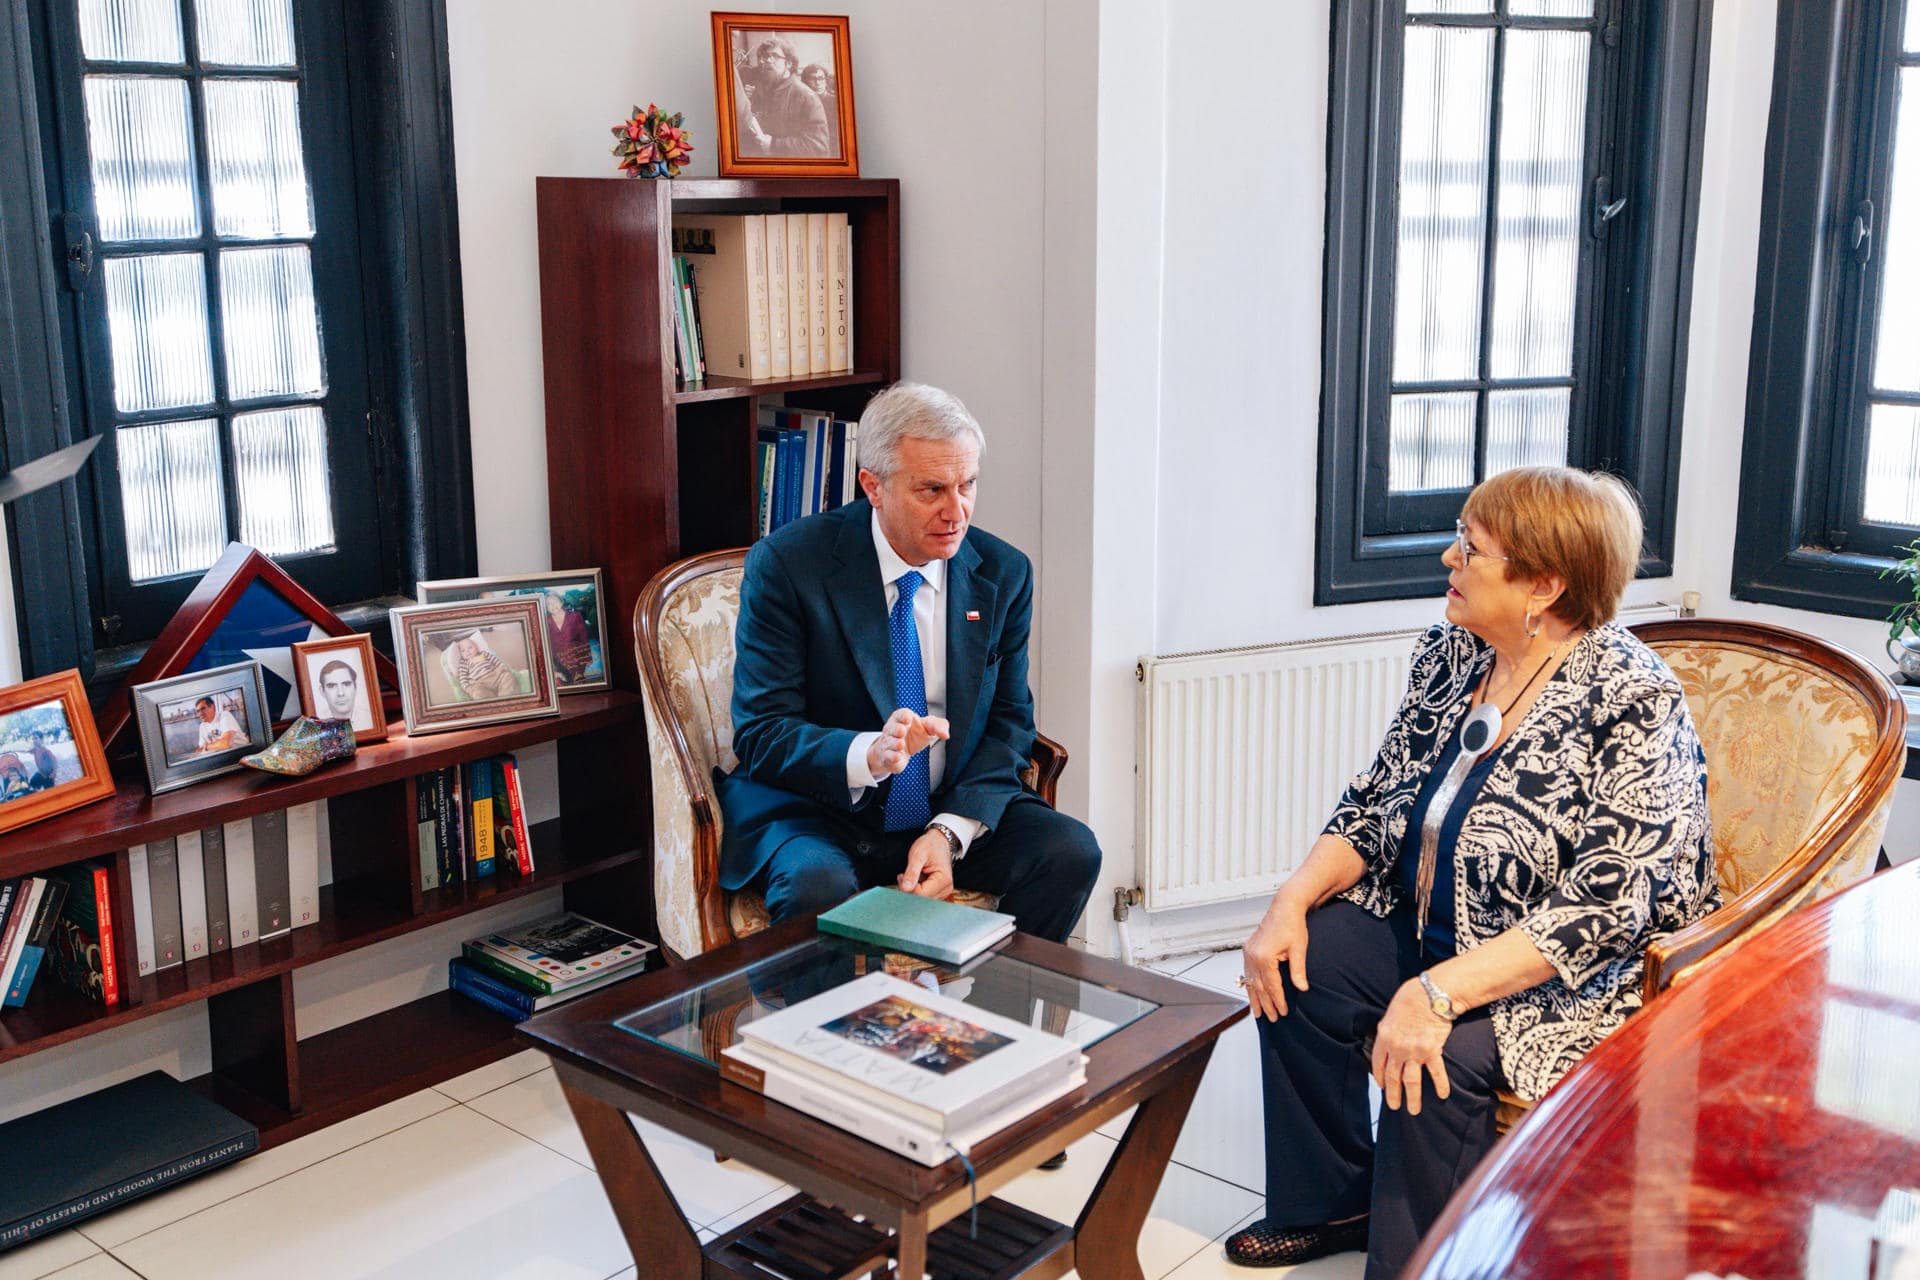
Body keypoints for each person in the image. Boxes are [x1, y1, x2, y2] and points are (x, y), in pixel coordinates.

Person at [1226, 467, 1719, 1276]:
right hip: (1431, 918)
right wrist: (1289, 900)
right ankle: (1332, 1201)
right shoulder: (1455, 652)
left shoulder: (1634, 698)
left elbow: (1606, 908)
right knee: (1302, 960)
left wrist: (1437, 993)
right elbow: (1378, 799)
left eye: (1472, 549)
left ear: (1544, 584)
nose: (1449, 560)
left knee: (1444, 1059)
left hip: (1571, 974)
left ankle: (1424, 1262)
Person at [718, 382, 1102, 948]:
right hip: (822, 811)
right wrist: (869, 753)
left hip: (944, 807)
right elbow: (761, 732)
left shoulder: (1002, 572)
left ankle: (991, 1021)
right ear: (872, 486)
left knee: (1069, 852)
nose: (957, 511)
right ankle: (828, 1036)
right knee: (815, 885)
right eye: (932, 490)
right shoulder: (789, 565)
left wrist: (948, 834)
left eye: (967, 484)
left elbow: (1009, 724)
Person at [740, 37, 830, 156]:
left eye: (773, 56)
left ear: (788, 63)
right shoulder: (760, 91)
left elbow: (819, 147)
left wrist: (774, 145)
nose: (764, 61)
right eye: (762, 56)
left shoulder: (806, 97)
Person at [446, 633, 522, 702]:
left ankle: (505, 697)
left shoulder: (483, 654)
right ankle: (491, 702)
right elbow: (463, 676)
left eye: (470, 648)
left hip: (496, 675)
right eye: (463, 650)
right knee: (478, 693)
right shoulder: (464, 663)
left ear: (477, 648)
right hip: (480, 682)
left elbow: (495, 660)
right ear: (461, 654)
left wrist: (502, 666)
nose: (467, 651)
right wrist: (467, 687)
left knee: (508, 676)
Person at [544, 592, 594, 684]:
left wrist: (586, 658)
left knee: (578, 685)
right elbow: (546, 644)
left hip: (576, 660)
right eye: (549, 604)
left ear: (561, 602)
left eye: (555, 602)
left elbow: (583, 638)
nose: (552, 606)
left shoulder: (575, 616)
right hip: (558, 663)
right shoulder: (545, 622)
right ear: (546, 607)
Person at [799, 63, 840, 155]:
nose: (818, 82)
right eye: (813, 79)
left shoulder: (836, 102)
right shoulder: (801, 103)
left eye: (821, 78)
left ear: (826, 81)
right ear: (805, 81)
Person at [316, 659, 362, 724]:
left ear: (355, 686)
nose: (340, 693)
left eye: (346, 684)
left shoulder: (372, 718)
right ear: (322, 691)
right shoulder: (315, 723)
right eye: (331, 686)